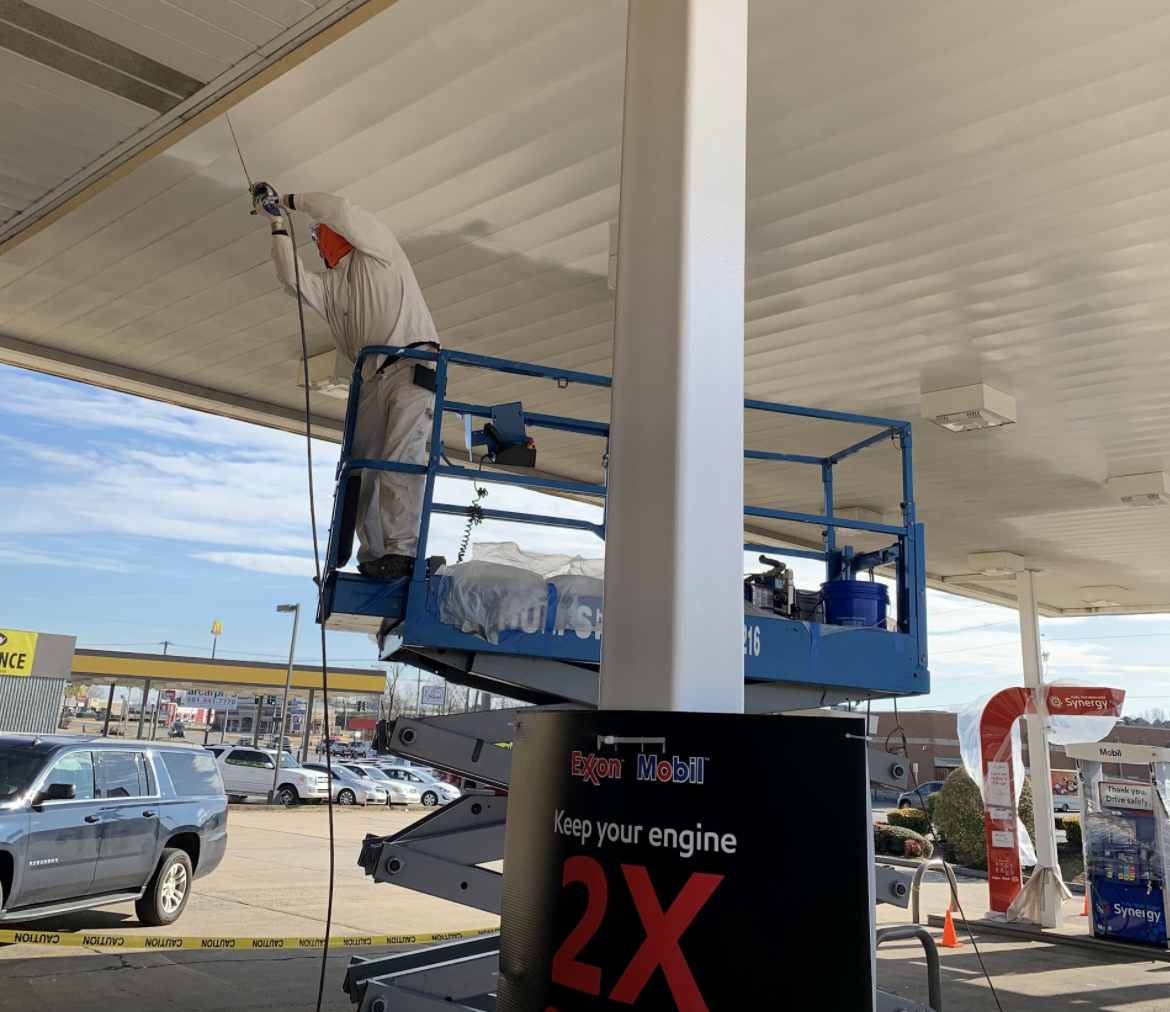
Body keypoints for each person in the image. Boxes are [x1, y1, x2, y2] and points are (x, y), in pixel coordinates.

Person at [252, 182, 440, 580]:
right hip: (371, 378)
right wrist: (276, 226)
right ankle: (374, 554)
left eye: (324, 233)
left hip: (413, 364)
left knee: (399, 460)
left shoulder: (380, 251)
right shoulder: (332, 284)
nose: (323, 241)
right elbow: (291, 279)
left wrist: (288, 201)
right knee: (361, 469)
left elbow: (341, 210)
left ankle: (402, 551)